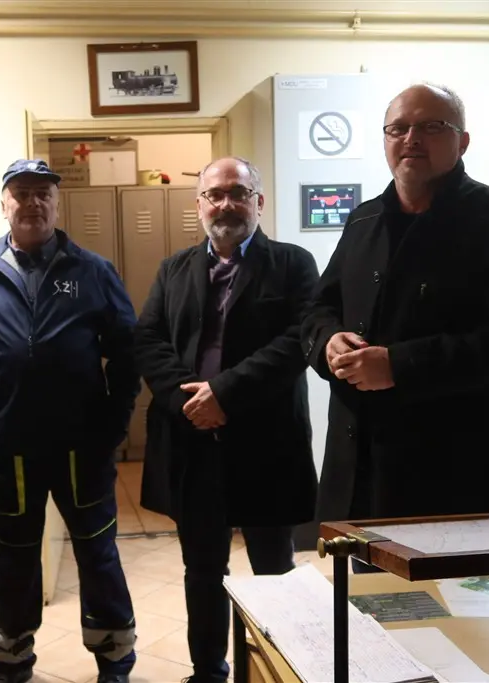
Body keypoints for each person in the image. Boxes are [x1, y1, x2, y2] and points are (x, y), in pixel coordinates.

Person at [301, 83, 489, 572]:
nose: (411, 138)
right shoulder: (363, 220)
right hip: (362, 478)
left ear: (463, 141)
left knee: (462, 616)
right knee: (372, 612)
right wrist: (327, 341)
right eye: (398, 128)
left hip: (459, 483)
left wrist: (398, 365)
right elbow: (317, 308)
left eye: (431, 126)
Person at [0, 159, 140, 683]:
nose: (32, 202)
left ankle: (115, 661)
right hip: (11, 449)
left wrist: (114, 426)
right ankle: (11, 663)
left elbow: (127, 352)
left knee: (97, 553)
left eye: (42, 193)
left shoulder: (92, 270)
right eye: (21, 193)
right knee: (15, 558)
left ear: (56, 202)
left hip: (82, 449)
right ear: (3, 204)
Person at [134, 156, 320, 682]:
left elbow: (298, 340)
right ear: (200, 206)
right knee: (202, 570)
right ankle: (208, 671)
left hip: (267, 444)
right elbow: (147, 339)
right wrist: (189, 401)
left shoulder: (294, 264)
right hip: (193, 442)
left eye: (238, 193)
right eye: (215, 195)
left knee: (274, 569)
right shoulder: (173, 269)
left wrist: (224, 393)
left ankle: (281, 669)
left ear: (259, 202)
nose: (226, 204)